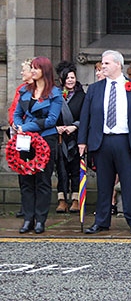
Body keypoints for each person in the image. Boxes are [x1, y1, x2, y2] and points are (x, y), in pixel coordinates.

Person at [79, 50, 131, 235]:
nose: (102, 67)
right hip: (102, 140)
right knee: (104, 184)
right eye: (102, 64)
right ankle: (101, 221)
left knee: (129, 183)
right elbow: (85, 116)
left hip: (125, 140)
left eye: (106, 63)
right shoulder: (95, 89)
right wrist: (82, 141)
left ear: (118, 65)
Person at [13, 57, 63, 234]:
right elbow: (18, 114)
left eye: (35, 68)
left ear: (45, 71)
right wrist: (18, 126)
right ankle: (28, 219)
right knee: (25, 180)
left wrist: (25, 127)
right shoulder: (25, 91)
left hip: (45, 139)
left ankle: (40, 220)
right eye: (31, 68)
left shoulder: (55, 94)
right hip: (25, 140)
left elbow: (51, 120)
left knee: (42, 180)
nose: (32, 71)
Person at [54, 61, 86, 214]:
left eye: (72, 77)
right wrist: (57, 128)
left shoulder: (82, 95)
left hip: (76, 137)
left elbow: (86, 116)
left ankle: (75, 199)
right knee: (61, 170)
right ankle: (61, 199)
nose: (70, 80)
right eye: (67, 78)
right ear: (62, 80)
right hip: (60, 137)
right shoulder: (55, 95)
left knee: (75, 169)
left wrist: (76, 125)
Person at [8, 58, 33, 218]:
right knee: (22, 171)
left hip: (34, 135)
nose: (22, 72)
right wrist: (14, 123)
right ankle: (25, 206)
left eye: (24, 69)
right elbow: (13, 109)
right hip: (21, 136)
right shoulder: (20, 89)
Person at [94, 61, 118, 215]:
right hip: (99, 139)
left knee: (117, 173)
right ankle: (104, 208)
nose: (98, 74)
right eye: (97, 70)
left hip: (120, 137)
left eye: (101, 70)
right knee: (103, 176)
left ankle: (113, 200)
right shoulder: (94, 90)